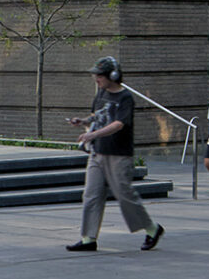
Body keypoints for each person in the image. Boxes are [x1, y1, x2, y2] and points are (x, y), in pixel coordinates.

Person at [65, 56, 164, 252]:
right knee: (91, 194)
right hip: (97, 152)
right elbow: (97, 116)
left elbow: (118, 124)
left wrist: (92, 134)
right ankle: (88, 238)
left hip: (118, 154)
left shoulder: (125, 97)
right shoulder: (101, 94)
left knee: (124, 195)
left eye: (100, 75)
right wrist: (83, 121)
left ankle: (152, 229)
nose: (96, 79)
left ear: (113, 75)